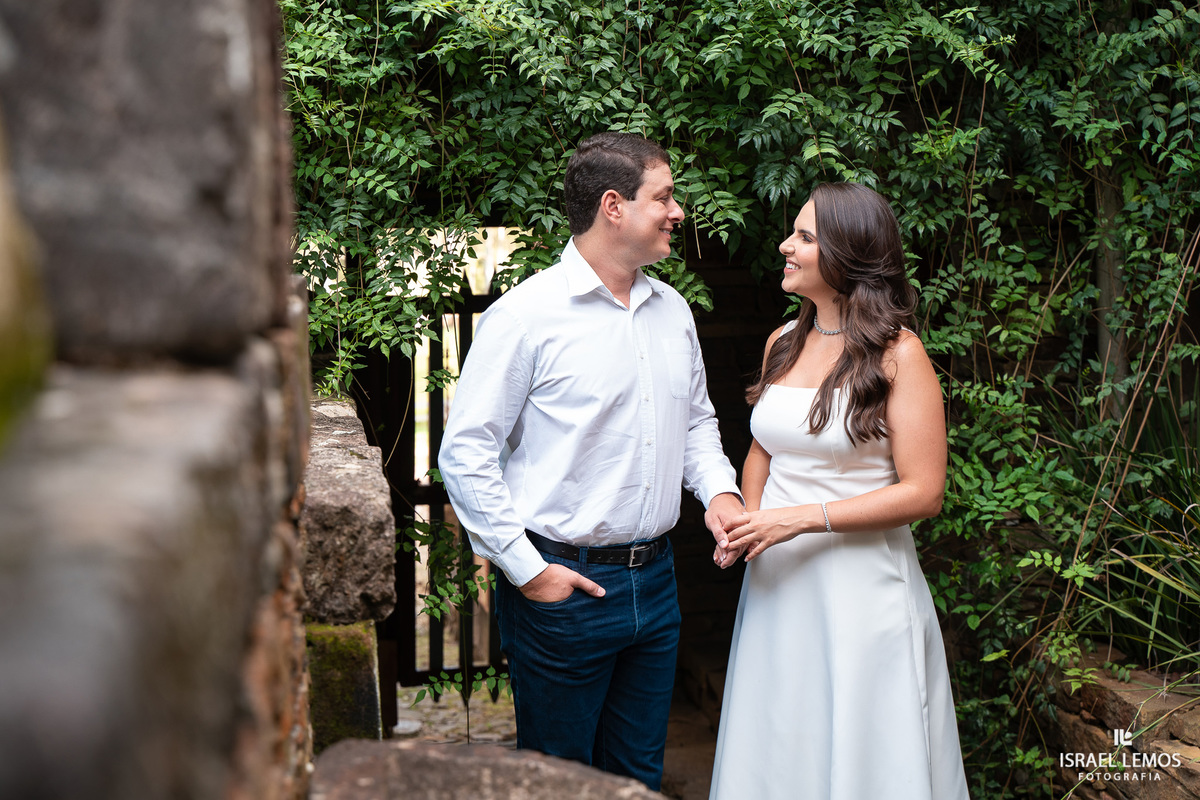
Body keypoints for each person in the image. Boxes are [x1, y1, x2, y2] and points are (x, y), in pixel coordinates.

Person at [438, 131, 744, 791]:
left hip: (657, 585)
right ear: (614, 205)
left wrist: (720, 493)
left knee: (637, 778)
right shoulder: (526, 317)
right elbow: (465, 453)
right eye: (663, 196)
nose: (677, 211)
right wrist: (529, 572)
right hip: (564, 592)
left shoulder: (674, 311)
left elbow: (695, 421)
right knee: (559, 782)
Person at [708, 182, 970, 799]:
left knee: (864, 749)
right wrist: (749, 522)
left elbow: (925, 492)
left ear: (848, 253)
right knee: (779, 738)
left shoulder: (899, 355)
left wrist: (797, 520)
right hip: (777, 581)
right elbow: (762, 452)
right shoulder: (783, 342)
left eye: (803, 236)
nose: (785, 247)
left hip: (860, 592)